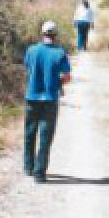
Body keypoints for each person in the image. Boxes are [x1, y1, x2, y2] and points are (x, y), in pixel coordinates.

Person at [24, 20, 72, 182]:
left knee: (30, 133)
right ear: (55, 35)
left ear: (42, 33)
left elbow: (28, 69)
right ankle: (39, 173)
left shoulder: (31, 50)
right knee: (45, 137)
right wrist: (58, 83)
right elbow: (67, 76)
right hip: (50, 99)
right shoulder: (60, 53)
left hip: (32, 97)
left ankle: (28, 166)